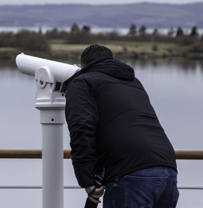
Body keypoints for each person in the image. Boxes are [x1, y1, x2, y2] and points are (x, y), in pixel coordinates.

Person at [64, 44, 178, 207]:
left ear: (81, 67)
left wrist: (87, 180)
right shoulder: (132, 82)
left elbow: (81, 128)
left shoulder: (82, 81)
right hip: (167, 169)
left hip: (130, 172)